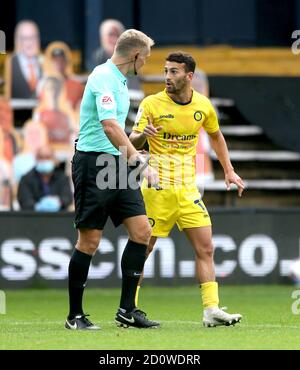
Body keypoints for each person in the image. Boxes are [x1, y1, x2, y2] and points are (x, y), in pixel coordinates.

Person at [129, 52, 245, 327]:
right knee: (142, 250)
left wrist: (229, 170)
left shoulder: (203, 106)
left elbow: (216, 136)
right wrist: (146, 134)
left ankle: (211, 310)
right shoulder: (151, 104)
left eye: (173, 72)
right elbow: (131, 140)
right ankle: (128, 308)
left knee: (206, 248)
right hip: (157, 190)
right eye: (165, 71)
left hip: (188, 190)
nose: (167, 77)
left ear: (189, 76)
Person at [66, 29, 160, 330]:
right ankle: (75, 316)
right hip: (94, 165)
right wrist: (140, 163)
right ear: (135, 55)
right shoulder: (103, 77)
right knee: (90, 241)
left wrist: (137, 140)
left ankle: (127, 310)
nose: (144, 64)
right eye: (144, 58)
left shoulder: (120, 81)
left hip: (116, 163)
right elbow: (108, 127)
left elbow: (117, 132)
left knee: (142, 231)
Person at [91, 19, 142, 91]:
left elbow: (134, 87)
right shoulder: (98, 56)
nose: (115, 39)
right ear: (102, 37)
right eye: (110, 34)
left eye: (118, 35)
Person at [17, 146, 72, 211]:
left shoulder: (62, 178)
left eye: (48, 157)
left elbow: (67, 197)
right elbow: (24, 200)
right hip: (33, 217)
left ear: (54, 159)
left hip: (58, 217)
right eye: (41, 157)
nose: (45, 160)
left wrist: (59, 203)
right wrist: (37, 207)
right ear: (36, 159)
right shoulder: (26, 179)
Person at [5, 20, 42, 99]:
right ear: (18, 40)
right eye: (25, 38)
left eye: (32, 37)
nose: (29, 42)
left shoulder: (45, 62)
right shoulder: (11, 62)